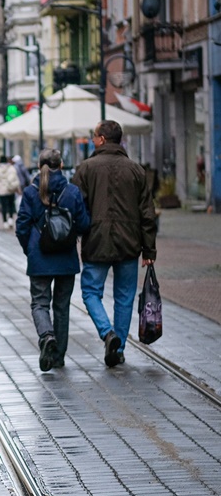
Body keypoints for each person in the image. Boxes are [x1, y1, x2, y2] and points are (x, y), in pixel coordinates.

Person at [71, 120, 157, 367]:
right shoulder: (136, 170)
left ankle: (107, 333)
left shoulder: (86, 169)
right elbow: (147, 213)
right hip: (130, 243)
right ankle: (118, 349)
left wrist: (81, 230)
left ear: (100, 139)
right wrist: (149, 249)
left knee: (90, 292)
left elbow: (77, 208)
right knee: (124, 296)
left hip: (97, 241)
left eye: (93, 135)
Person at [15, 148, 91, 371]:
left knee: (39, 302)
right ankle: (58, 357)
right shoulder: (72, 191)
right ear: (62, 165)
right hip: (66, 258)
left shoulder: (31, 192)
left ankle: (47, 336)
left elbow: (21, 227)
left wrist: (29, 249)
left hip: (40, 258)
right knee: (62, 307)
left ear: (39, 167)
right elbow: (84, 224)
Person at [0, 155, 22, 229]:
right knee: (11, 205)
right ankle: (11, 219)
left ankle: (5, 221)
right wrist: (18, 189)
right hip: (10, 190)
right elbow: (16, 179)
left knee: (3, 206)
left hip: (1, 191)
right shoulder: (11, 168)